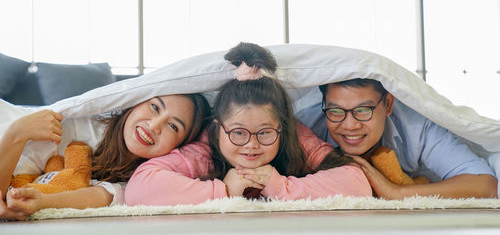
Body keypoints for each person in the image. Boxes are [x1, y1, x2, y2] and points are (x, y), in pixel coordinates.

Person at [125, 43, 372, 206]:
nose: (251, 145)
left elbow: (356, 182)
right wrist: (223, 191)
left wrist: (281, 185)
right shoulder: (204, 149)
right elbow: (140, 187)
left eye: (264, 133)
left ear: (282, 129)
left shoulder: (295, 138)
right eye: (238, 133)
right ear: (217, 128)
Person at [0, 93, 210, 220]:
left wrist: (42, 202)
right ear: (135, 103)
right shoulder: (78, 127)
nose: (154, 126)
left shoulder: (147, 177)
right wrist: (16, 133)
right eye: (154, 107)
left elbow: (102, 196)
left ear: (179, 146)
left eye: (173, 126)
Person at [295, 78, 498, 199]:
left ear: (389, 105)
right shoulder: (306, 125)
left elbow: (485, 184)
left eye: (364, 110)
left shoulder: (417, 127)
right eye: (336, 111)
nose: (350, 125)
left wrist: (396, 193)